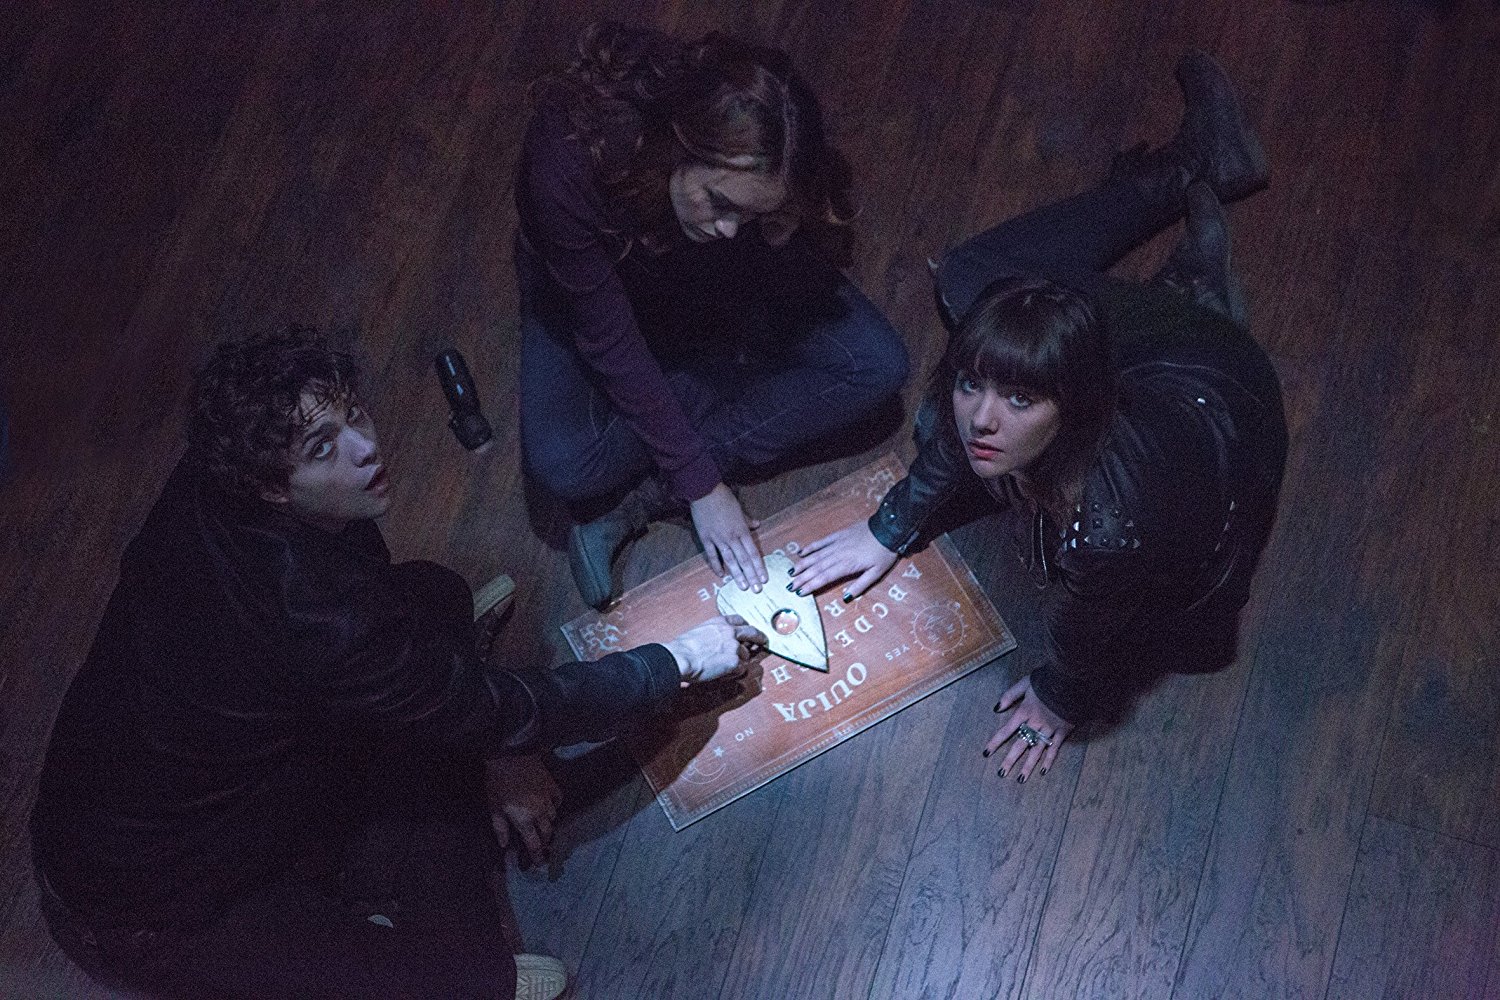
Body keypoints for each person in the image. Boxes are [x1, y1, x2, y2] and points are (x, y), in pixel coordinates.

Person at [30, 328, 765, 1000]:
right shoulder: (318, 617)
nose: (365, 447)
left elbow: (410, 650)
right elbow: (496, 706)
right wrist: (675, 661)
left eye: (354, 414)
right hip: (151, 895)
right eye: (324, 448)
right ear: (271, 486)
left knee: (434, 596)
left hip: (215, 759)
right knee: (466, 971)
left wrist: (493, 739)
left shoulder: (226, 472)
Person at [788, 51, 1288, 783]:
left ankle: (1195, 290)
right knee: (972, 303)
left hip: (1210, 380)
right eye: (971, 385)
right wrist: (890, 525)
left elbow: (1097, 635)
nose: (981, 420)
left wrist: (1059, 697)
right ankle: (1185, 283)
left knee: (973, 283)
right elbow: (965, 420)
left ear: (1077, 401)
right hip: (1162, 386)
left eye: (1021, 400)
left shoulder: (1107, 529)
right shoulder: (1007, 416)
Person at [515, 22, 910, 610]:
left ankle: (650, 491)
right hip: (591, 280)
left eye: (748, 214)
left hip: (697, 279)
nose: (728, 228)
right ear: (683, 144)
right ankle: (712, 389)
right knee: (568, 465)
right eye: (721, 203)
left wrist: (782, 228)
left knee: (877, 365)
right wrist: (703, 485)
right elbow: (607, 338)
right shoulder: (568, 160)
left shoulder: (746, 194)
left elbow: (777, 232)